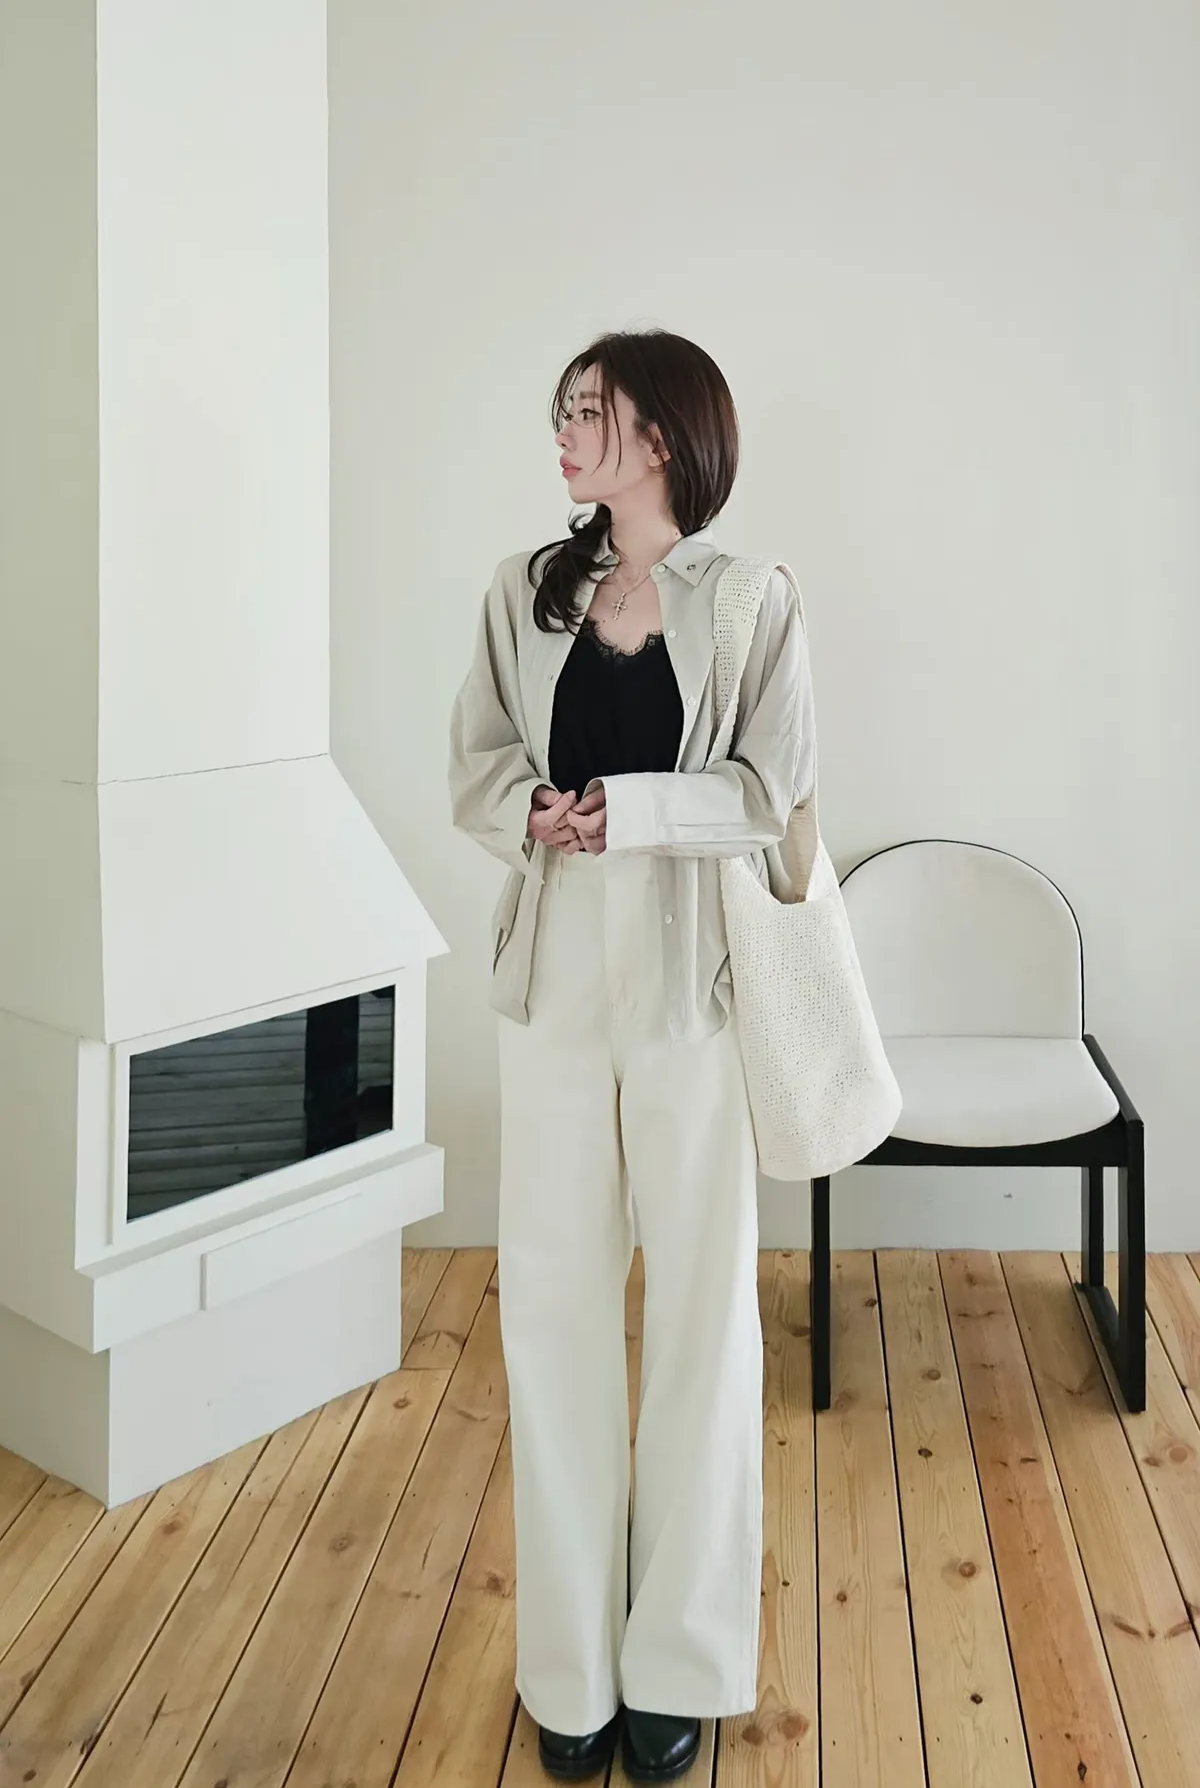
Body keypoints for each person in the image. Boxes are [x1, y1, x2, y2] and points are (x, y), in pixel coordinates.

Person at [447, 328, 815, 1783]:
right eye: (562, 412)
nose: (563, 432)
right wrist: (530, 812)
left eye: (587, 412)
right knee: (549, 1309)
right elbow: (477, 758)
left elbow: (773, 790)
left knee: (702, 1319)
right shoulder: (523, 590)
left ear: (661, 434)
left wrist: (637, 812)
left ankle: (680, 1659)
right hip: (552, 979)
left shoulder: (752, 601)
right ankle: (572, 1667)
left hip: (691, 984)